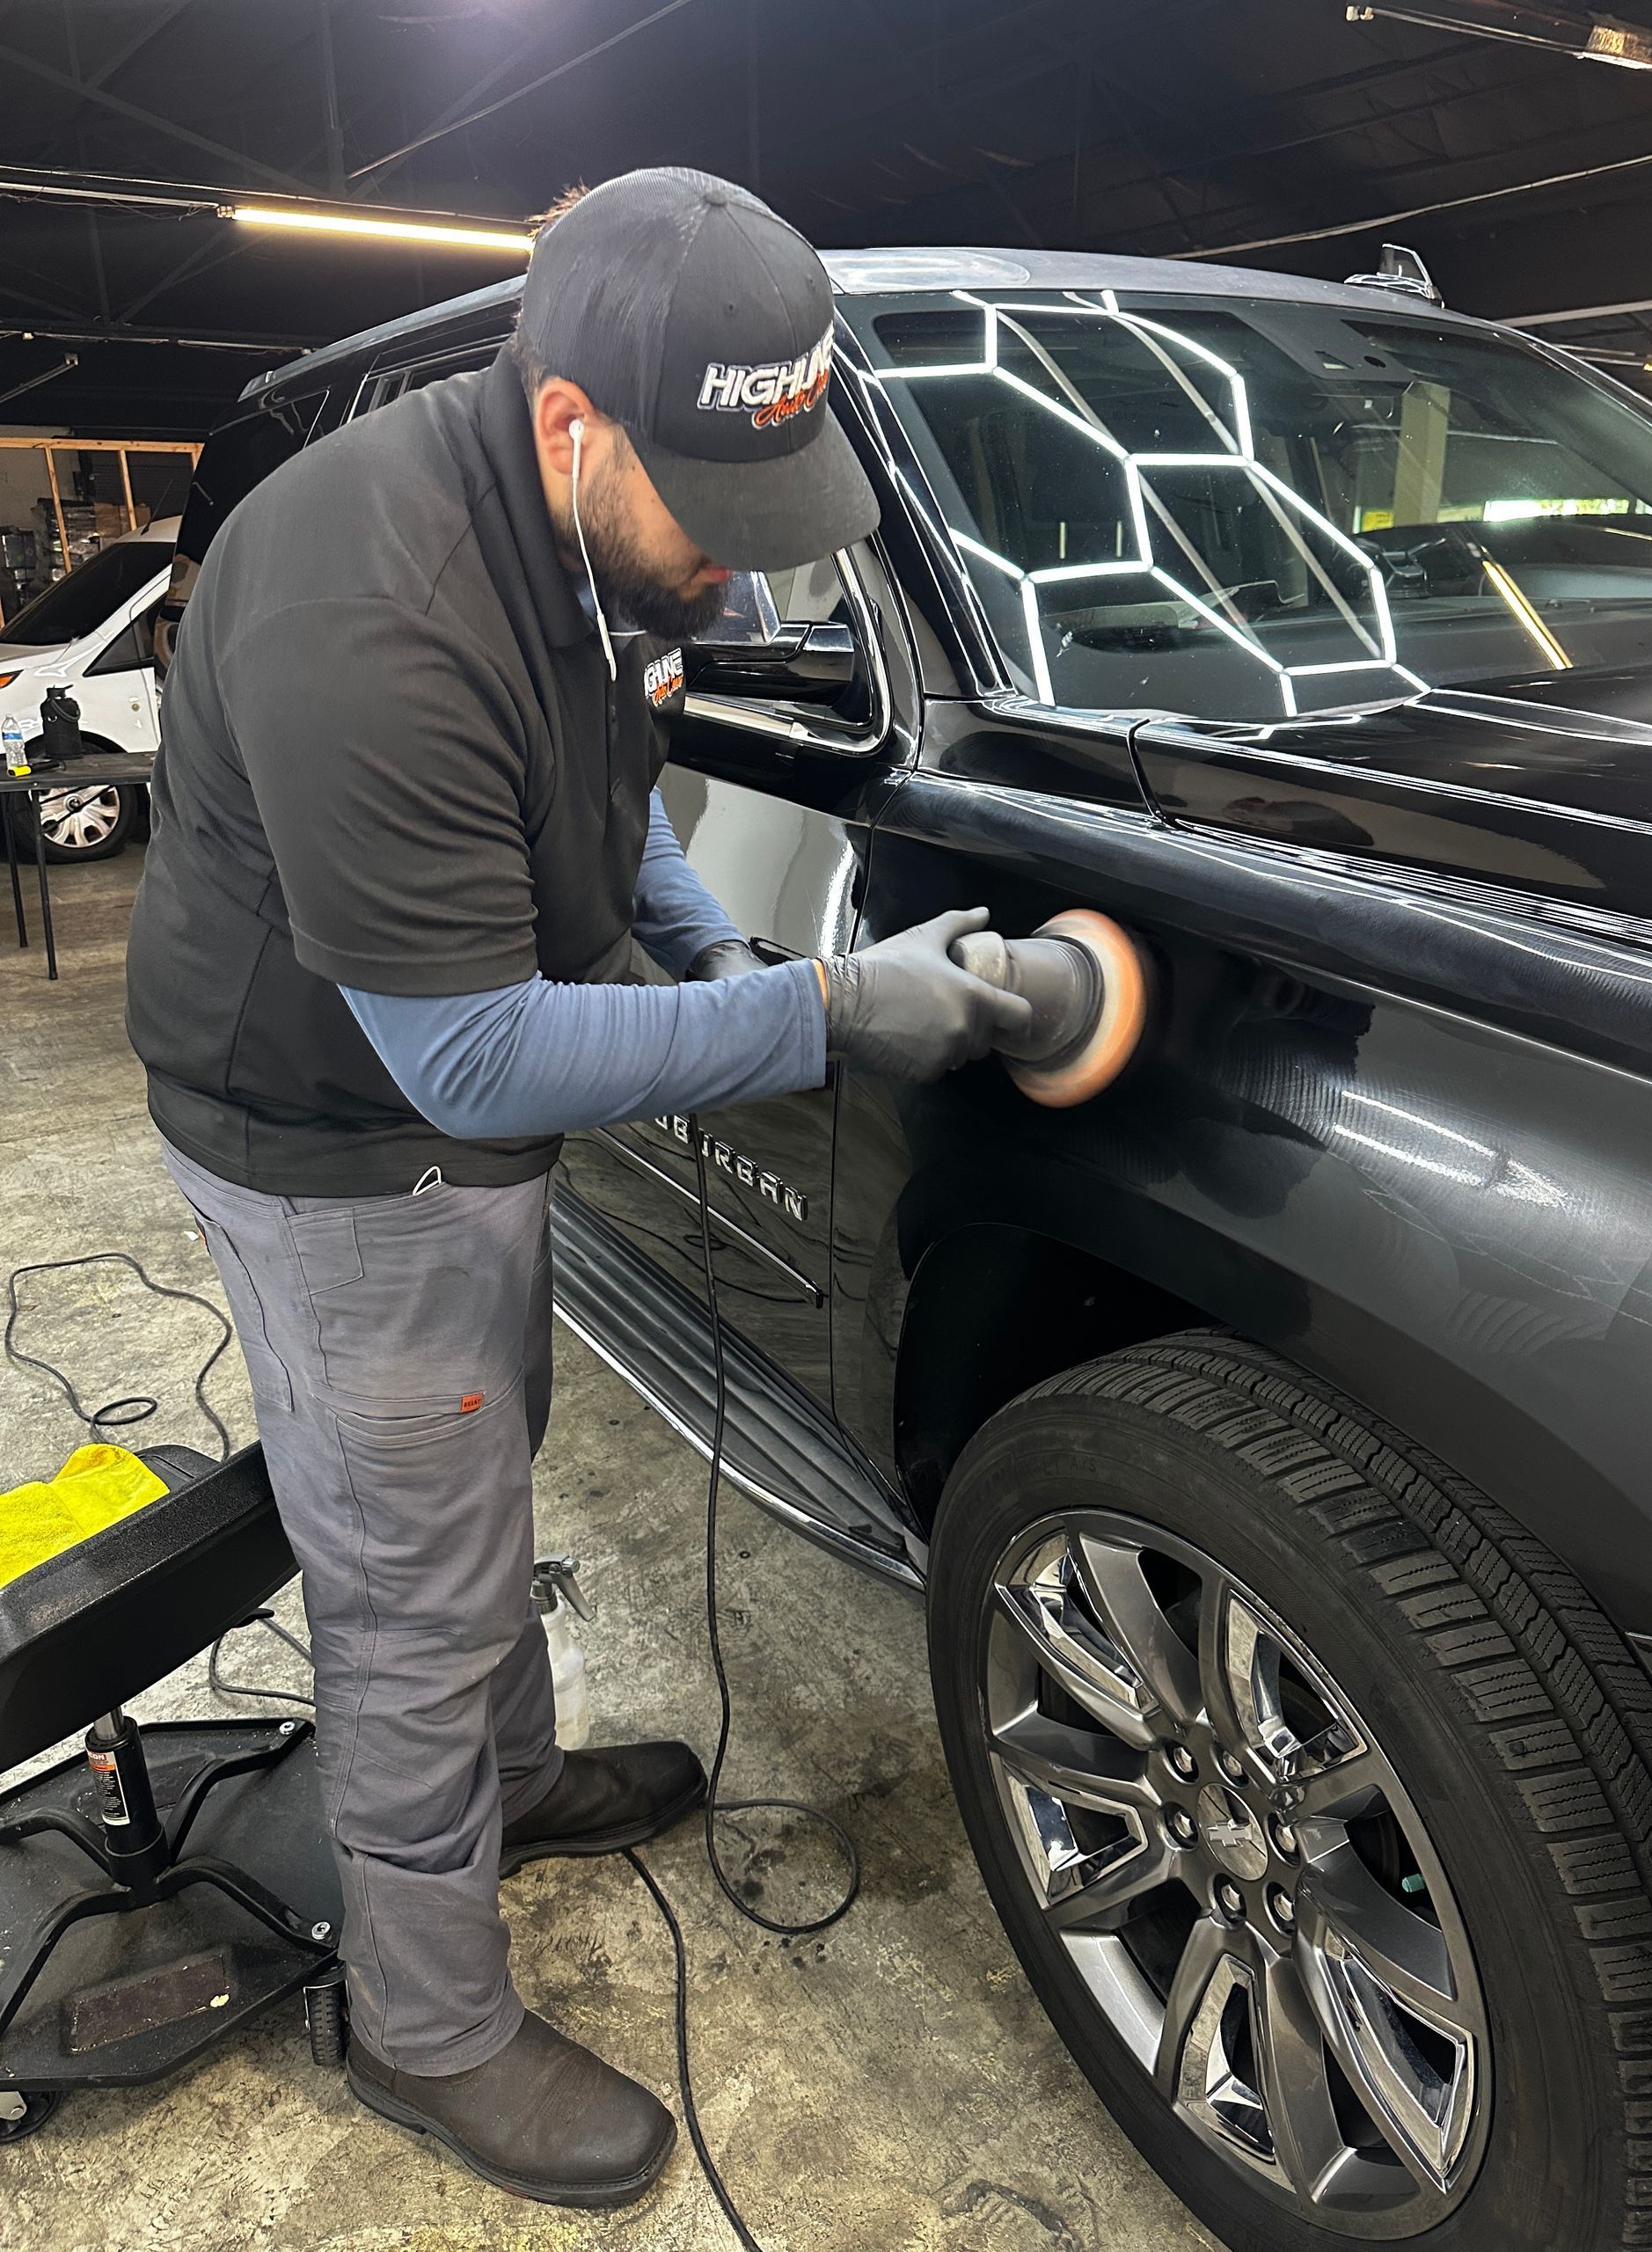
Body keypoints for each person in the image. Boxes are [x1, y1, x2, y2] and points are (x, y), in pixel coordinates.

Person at [125, 168, 1028, 2208]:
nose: (736, 560)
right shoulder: (377, 600)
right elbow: (473, 1051)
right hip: (335, 1141)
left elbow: (611, 814)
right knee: (414, 1581)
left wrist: (717, 959)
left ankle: (509, 1786)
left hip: (446, 1126)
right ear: (570, 422)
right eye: (714, 507)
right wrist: (817, 1008)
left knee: (484, 1459)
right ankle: (425, 2024)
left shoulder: (606, 555)